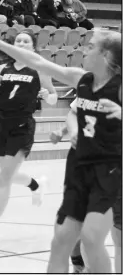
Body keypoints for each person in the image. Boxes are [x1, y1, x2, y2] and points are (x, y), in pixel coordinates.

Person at [0, 21, 121, 274]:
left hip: (110, 171)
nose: (83, 51)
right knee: (61, 238)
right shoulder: (82, 79)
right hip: (79, 169)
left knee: (94, 237)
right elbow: (40, 63)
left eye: (90, 47)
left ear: (105, 56)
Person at [0, 30, 57, 246]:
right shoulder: (2, 68)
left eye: (26, 41)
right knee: (7, 173)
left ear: (33, 47)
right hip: (2, 124)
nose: (22, 43)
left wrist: (48, 96)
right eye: (18, 40)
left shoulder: (39, 68)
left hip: (23, 125)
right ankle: (36, 185)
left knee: (4, 179)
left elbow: (53, 97)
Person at [51, 97, 122, 274]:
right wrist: (68, 130)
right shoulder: (92, 84)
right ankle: (80, 265)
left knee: (118, 234)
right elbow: (76, 113)